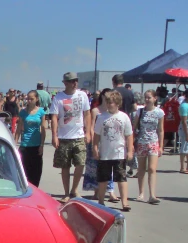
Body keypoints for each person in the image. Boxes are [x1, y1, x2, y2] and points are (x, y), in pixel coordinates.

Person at [50, 71, 91, 203]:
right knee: (65, 166)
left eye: (76, 81)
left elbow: (87, 114)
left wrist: (88, 132)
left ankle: (75, 189)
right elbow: (54, 117)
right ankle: (66, 192)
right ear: (65, 83)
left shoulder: (82, 95)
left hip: (79, 135)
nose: (74, 83)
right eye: (71, 81)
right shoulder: (58, 98)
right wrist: (54, 135)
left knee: (81, 163)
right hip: (64, 137)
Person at [92, 90, 133, 210]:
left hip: (119, 153)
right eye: (108, 102)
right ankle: (101, 201)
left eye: (112, 102)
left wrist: (130, 150)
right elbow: (97, 135)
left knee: (121, 177)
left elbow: (129, 135)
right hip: (105, 153)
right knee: (103, 178)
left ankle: (125, 202)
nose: (110, 104)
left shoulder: (124, 117)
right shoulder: (101, 117)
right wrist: (95, 148)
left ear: (118, 103)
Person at [83, 88, 117, 201]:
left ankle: (111, 192)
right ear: (102, 96)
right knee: (95, 168)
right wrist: (94, 142)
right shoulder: (95, 110)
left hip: (109, 142)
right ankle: (96, 191)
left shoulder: (113, 110)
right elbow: (92, 126)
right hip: (97, 140)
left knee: (109, 167)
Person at [132, 89, 165, 204]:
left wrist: (161, 146)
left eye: (149, 97)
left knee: (152, 169)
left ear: (155, 98)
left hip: (153, 142)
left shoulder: (159, 112)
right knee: (141, 169)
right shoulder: (140, 112)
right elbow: (133, 127)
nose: (147, 99)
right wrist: (132, 142)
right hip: (141, 142)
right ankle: (141, 193)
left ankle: (152, 195)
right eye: (145, 97)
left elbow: (161, 130)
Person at [14, 90, 46, 186]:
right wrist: (14, 143)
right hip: (25, 145)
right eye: (28, 99)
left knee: (36, 173)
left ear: (36, 99)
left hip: (36, 145)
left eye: (31, 99)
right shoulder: (23, 112)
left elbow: (43, 129)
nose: (29, 101)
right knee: (23, 172)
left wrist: (42, 145)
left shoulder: (41, 111)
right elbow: (19, 129)